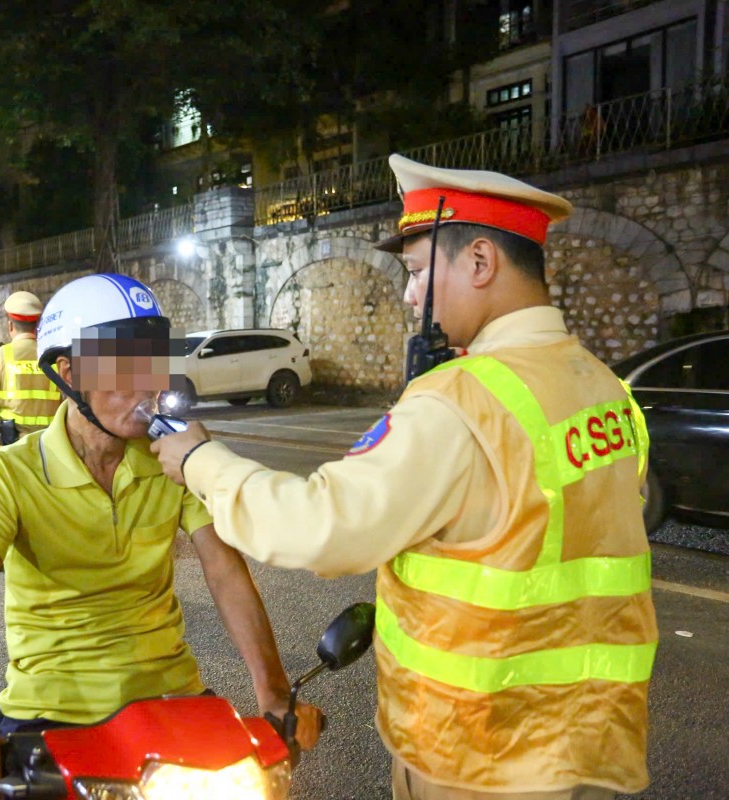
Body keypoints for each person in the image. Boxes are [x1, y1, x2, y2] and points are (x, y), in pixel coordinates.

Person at [152, 155, 658, 800]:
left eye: (417, 272)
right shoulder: (604, 387)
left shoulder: (462, 402)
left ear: (480, 262)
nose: (409, 295)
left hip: (481, 755)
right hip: (592, 740)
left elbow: (321, 528)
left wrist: (201, 460)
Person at [0, 274, 322, 787]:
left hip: (171, 698)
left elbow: (225, 569)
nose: (151, 385)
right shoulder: (7, 473)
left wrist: (272, 690)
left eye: (153, 362)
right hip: (50, 711)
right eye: (124, 367)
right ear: (67, 373)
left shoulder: (174, 461)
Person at [0, 291, 61, 446]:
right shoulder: (53, 354)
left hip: (13, 442)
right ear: (37, 326)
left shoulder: (0, 355)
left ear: (10, 326)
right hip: (50, 442)